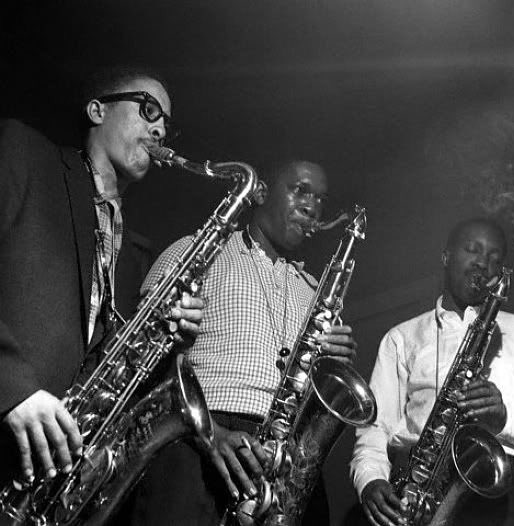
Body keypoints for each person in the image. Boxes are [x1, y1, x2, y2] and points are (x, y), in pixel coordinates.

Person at [0, 67, 203, 495]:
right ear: (97, 110)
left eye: (166, 122)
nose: (160, 128)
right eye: (148, 109)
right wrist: (12, 387)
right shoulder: (21, 152)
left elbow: (111, 370)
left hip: (44, 473)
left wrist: (169, 342)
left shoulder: (133, 253)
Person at [131, 160, 358, 525]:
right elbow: (141, 363)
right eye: (300, 190)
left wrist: (335, 364)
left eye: (320, 198)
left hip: (288, 463)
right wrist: (209, 432)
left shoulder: (317, 291)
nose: (312, 207)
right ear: (262, 192)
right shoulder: (197, 251)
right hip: (199, 442)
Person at [350, 217, 514, 526]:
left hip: (505, 498)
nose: (483, 263)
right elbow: (375, 428)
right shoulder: (401, 337)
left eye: (495, 258)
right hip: (419, 489)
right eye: (473, 249)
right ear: (446, 256)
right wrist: (370, 479)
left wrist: (504, 420)